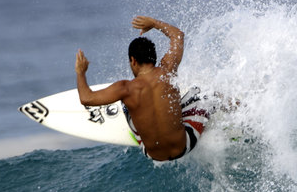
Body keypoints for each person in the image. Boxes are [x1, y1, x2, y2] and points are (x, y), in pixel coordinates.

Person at [75, 16, 209, 161]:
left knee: (124, 104)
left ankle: (140, 131)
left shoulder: (125, 89)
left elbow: (86, 98)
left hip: (153, 155)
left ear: (133, 60)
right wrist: (154, 23)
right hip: (185, 145)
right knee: (203, 94)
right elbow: (178, 35)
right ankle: (233, 113)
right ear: (154, 57)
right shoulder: (167, 71)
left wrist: (80, 73)